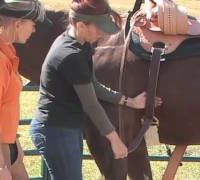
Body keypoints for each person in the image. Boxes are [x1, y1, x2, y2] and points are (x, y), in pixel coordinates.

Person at [30, 0, 162, 179]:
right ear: (81, 25)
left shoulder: (80, 44)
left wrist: (129, 101)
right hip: (56, 130)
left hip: (67, 127)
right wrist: (115, 140)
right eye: (98, 27)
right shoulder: (71, 54)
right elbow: (91, 104)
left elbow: (94, 86)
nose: (102, 32)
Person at [0, 0, 46, 179]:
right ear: (18, 23)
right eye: (33, 24)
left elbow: (5, 107)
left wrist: (14, 144)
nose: (34, 30)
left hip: (1, 143)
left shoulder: (0, 51)